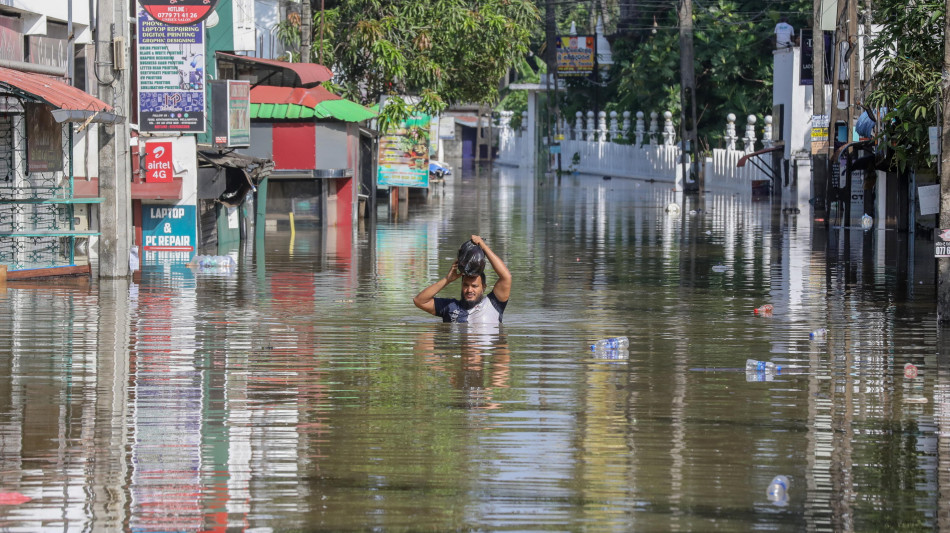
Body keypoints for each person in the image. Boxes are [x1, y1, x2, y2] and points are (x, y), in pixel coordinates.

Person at [413, 235, 511, 324]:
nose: (469, 290)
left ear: (483, 287)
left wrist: (483, 246)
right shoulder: (450, 307)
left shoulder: (493, 304)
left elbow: (506, 277)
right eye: (465, 285)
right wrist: (447, 279)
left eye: (474, 286)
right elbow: (419, 301)